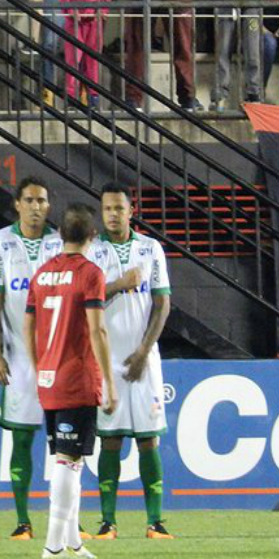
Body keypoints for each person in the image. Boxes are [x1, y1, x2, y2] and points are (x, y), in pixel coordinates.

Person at [24, 202, 117, 559]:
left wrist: (39, 367)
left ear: (60, 234)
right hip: (77, 378)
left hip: (49, 376)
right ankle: (52, 545)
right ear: (92, 236)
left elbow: (28, 325)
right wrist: (110, 382)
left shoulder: (42, 272)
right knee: (68, 460)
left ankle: (73, 543)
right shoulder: (91, 273)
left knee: (69, 460)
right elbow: (97, 329)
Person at [0, 175, 64, 540]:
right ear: (17, 204)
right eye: (29, 200)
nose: (36, 207)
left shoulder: (60, 243)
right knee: (21, 439)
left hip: (59, 357)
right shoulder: (0, 243)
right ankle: (22, 520)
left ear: (48, 206)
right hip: (17, 358)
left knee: (64, 442)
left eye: (41, 200)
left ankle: (67, 518)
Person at [91, 183, 173, 540]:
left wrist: (143, 351)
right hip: (105, 361)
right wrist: (117, 284)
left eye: (119, 208)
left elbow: (162, 303)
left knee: (148, 441)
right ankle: (107, 523)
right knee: (109, 440)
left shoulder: (150, 248)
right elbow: (85, 299)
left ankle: (155, 523)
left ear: (131, 210)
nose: (113, 214)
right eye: (107, 208)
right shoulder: (92, 253)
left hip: (145, 360)